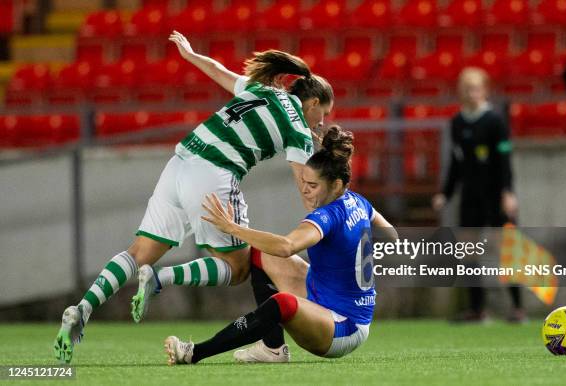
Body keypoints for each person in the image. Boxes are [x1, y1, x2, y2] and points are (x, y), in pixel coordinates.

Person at [53, 31, 334, 364]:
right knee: (239, 266)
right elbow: (306, 187)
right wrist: (330, 204)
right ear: (313, 103)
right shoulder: (299, 128)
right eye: (324, 114)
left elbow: (219, 71)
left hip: (180, 162)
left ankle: (82, 308)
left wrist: (189, 54)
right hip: (213, 173)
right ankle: (160, 278)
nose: (323, 121)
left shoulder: (262, 89)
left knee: (140, 251)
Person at [163, 126, 394, 364]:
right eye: (304, 182)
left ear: (335, 185)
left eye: (312, 185)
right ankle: (272, 348)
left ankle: (194, 353)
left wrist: (233, 228)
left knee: (282, 302)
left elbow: (286, 246)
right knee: (260, 253)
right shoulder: (358, 201)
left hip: (342, 327)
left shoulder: (326, 217)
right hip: (329, 299)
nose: (304, 190)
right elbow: (392, 236)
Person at [431, 67, 524, 323]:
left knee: (506, 250)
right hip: (470, 196)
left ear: (485, 90)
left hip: (494, 195)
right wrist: (446, 193)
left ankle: (517, 308)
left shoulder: (495, 121)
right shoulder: (457, 123)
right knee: (468, 250)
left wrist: (507, 192)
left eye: (476, 89)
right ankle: (478, 309)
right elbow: (456, 162)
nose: (471, 94)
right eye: (466, 89)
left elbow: (504, 160)